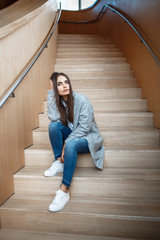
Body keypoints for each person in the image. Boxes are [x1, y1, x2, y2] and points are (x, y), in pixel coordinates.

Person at [44, 72, 104, 212]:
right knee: (53, 126)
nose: (65, 86)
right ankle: (59, 161)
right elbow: (53, 117)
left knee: (70, 144)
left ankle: (64, 191)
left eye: (66, 82)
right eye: (59, 84)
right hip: (73, 135)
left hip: (87, 137)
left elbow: (85, 128)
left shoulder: (82, 100)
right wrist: (51, 92)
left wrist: (66, 142)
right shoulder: (59, 102)